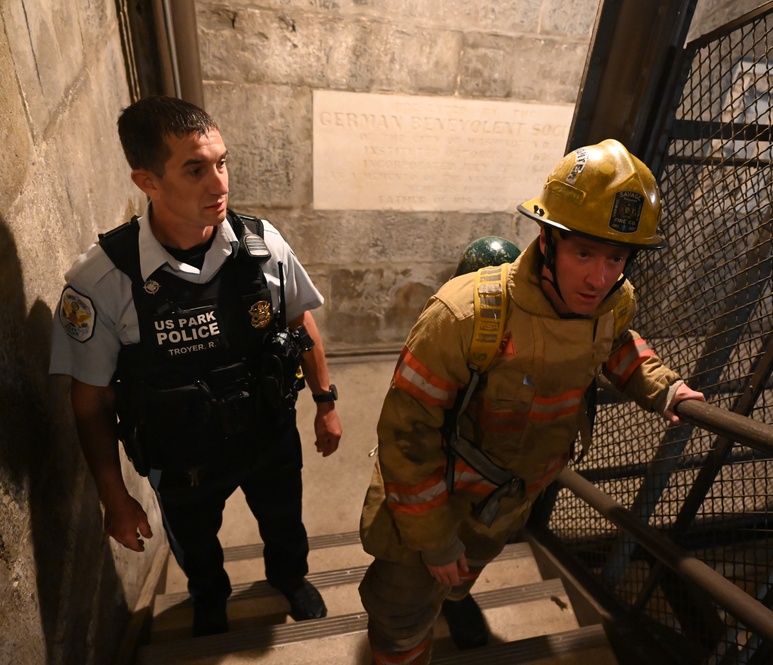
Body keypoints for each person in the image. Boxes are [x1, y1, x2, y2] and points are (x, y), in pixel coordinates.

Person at [358, 138, 705, 664]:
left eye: (616, 257)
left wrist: (665, 388)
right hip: (430, 505)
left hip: (504, 504)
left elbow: (613, 345)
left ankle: (452, 602)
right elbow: (406, 437)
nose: (598, 277)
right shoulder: (464, 316)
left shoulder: (614, 301)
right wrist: (433, 538)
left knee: (458, 582)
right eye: (584, 252)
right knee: (400, 621)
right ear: (548, 239)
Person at [49, 96, 343, 637]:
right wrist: (114, 498)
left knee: (284, 522)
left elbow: (300, 322)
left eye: (221, 162)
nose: (219, 184)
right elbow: (89, 398)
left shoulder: (263, 246)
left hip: (268, 434)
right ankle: (209, 597)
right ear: (148, 182)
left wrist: (326, 403)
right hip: (180, 453)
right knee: (195, 541)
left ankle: (290, 578)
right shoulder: (103, 281)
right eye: (194, 169)